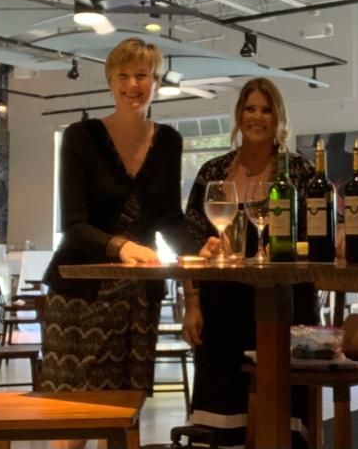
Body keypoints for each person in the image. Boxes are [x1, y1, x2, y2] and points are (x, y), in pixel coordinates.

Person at [39, 38, 216, 448]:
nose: (133, 84)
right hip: (81, 292)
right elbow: (74, 225)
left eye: (142, 75)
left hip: (138, 297)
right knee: (75, 416)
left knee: (125, 411)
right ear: (109, 80)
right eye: (123, 75)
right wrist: (121, 246)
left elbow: (170, 219)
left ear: (155, 82)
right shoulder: (81, 137)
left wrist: (196, 266)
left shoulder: (168, 141)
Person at [183, 77, 318, 448]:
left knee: (283, 406)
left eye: (266, 109)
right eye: (249, 108)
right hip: (221, 304)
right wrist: (191, 304)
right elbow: (191, 243)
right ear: (239, 115)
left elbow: (314, 241)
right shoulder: (213, 172)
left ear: (278, 118)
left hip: (286, 304)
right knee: (221, 402)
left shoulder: (300, 173)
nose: (257, 117)